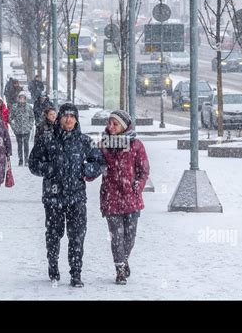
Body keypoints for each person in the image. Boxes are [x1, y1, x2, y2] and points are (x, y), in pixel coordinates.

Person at [29, 103, 104, 287]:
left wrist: (86, 169)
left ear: (76, 120)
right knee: (54, 235)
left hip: (76, 197)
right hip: (53, 197)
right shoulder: (47, 139)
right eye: (65, 116)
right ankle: (53, 266)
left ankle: (76, 272)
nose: (68, 119)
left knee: (77, 235)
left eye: (72, 116)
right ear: (59, 118)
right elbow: (33, 163)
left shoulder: (85, 141)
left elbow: (99, 163)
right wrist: (49, 168)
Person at [98, 110, 150, 285]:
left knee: (130, 236)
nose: (110, 127)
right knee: (117, 237)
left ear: (124, 126)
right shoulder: (103, 146)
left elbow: (144, 170)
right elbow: (95, 167)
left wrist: (138, 186)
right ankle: (119, 269)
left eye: (115, 124)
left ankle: (124, 258)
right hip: (111, 198)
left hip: (131, 198)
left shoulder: (136, 145)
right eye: (109, 123)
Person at [9, 92, 34, 166]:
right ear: (18, 98)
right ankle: (21, 160)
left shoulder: (29, 107)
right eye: (21, 98)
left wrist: (30, 126)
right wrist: (14, 127)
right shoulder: (14, 107)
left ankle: (26, 160)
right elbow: (10, 118)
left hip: (26, 129)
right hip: (18, 130)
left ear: (25, 99)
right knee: (19, 146)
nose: (22, 99)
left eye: (23, 98)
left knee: (26, 145)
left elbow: (32, 117)